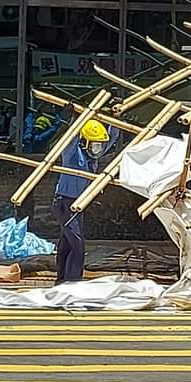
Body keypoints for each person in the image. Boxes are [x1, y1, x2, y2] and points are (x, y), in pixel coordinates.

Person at [51, 118, 120, 283]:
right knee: (77, 244)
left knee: (67, 241)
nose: (98, 149)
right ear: (84, 143)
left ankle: (62, 278)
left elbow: (111, 137)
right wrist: (77, 120)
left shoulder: (93, 155)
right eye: (94, 145)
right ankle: (73, 280)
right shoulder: (72, 155)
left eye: (99, 145)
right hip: (64, 203)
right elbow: (71, 138)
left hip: (78, 205)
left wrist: (115, 119)